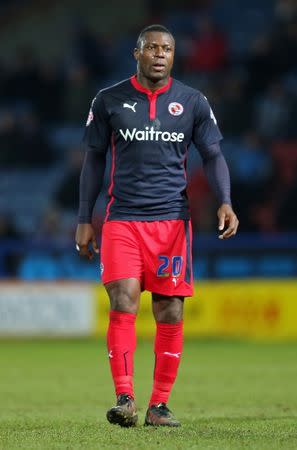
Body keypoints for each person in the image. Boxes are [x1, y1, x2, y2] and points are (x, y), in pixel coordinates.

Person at [75, 24, 239, 428]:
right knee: (124, 299)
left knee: (169, 310)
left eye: (166, 48)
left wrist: (225, 201)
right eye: (152, 47)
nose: (160, 53)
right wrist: (83, 218)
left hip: (171, 224)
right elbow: (94, 159)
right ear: (137, 53)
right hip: (122, 219)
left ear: (173, 55)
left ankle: (159, 405)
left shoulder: (193, 101)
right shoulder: (109, 99)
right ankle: (125, 396)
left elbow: (213, 155)